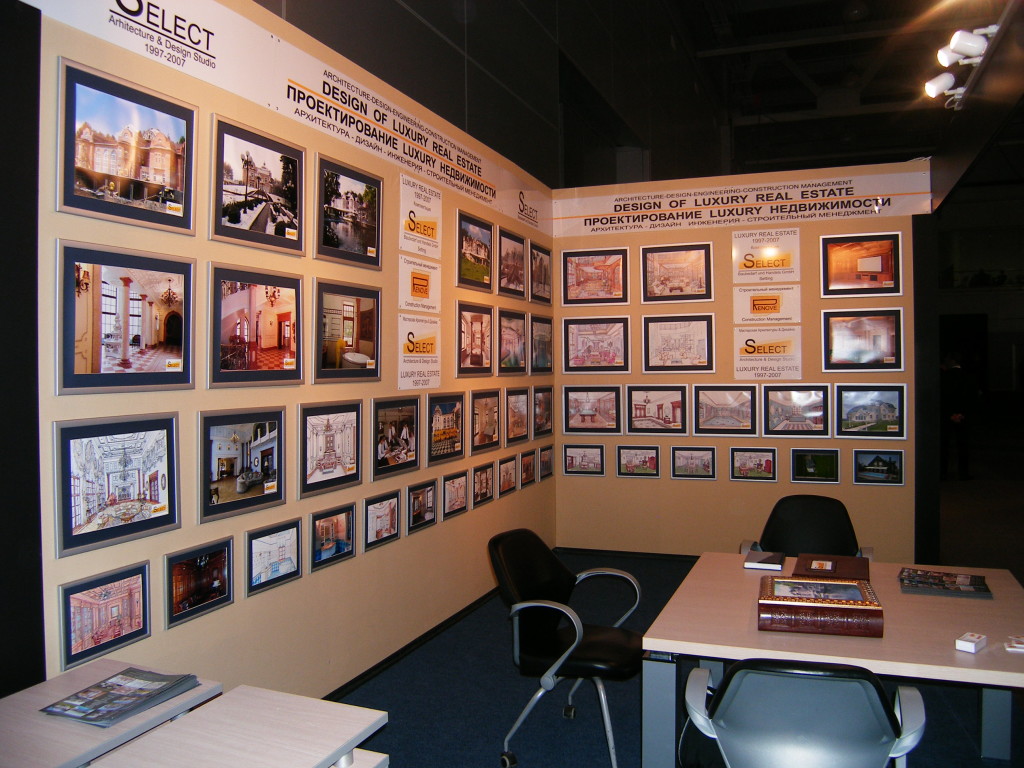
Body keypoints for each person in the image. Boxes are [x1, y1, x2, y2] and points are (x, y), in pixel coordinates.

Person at [940, 351, 973, 480]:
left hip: (946, 414)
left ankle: (942, 471)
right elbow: (970, 397)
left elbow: (943, 396)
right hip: (962, 415)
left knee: (944, 444)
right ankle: (964, 472)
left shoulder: (944, 376)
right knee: (963, 444)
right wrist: (961, 413)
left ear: (951, 361)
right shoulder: (967, 375)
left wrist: (950, 413)